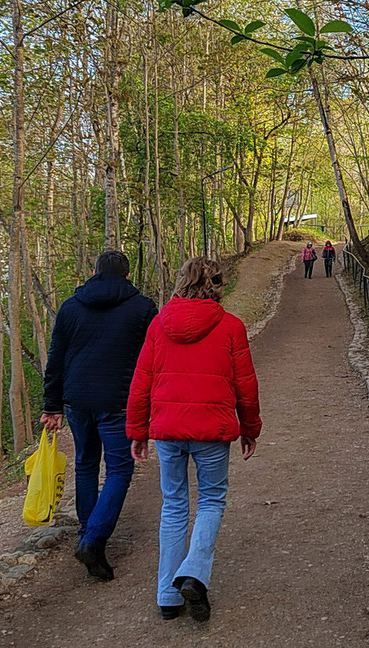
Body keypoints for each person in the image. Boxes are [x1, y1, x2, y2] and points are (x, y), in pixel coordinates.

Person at [127, 256, 261, 623]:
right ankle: (194, 574)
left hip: (168, 429)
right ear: (217, 285)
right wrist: (250, 428)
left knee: (173, 505)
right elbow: (246, 385)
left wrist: (137, 430)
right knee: (211, 500)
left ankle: (168, 596)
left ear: (181, 282)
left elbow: (141, 381)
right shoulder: (231, 327)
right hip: (212, 430)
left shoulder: (158, 325)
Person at [41, 250, 157, 581]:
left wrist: (52, 405)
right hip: (118, 400)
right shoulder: (143, 308)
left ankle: (86, 534)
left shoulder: (70, 307)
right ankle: (93, 539)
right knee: (119, 469)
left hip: (77, 400)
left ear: (93, 272)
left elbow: (56, 358)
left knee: (86, 465)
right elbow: (154, 357)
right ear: (127, 276)